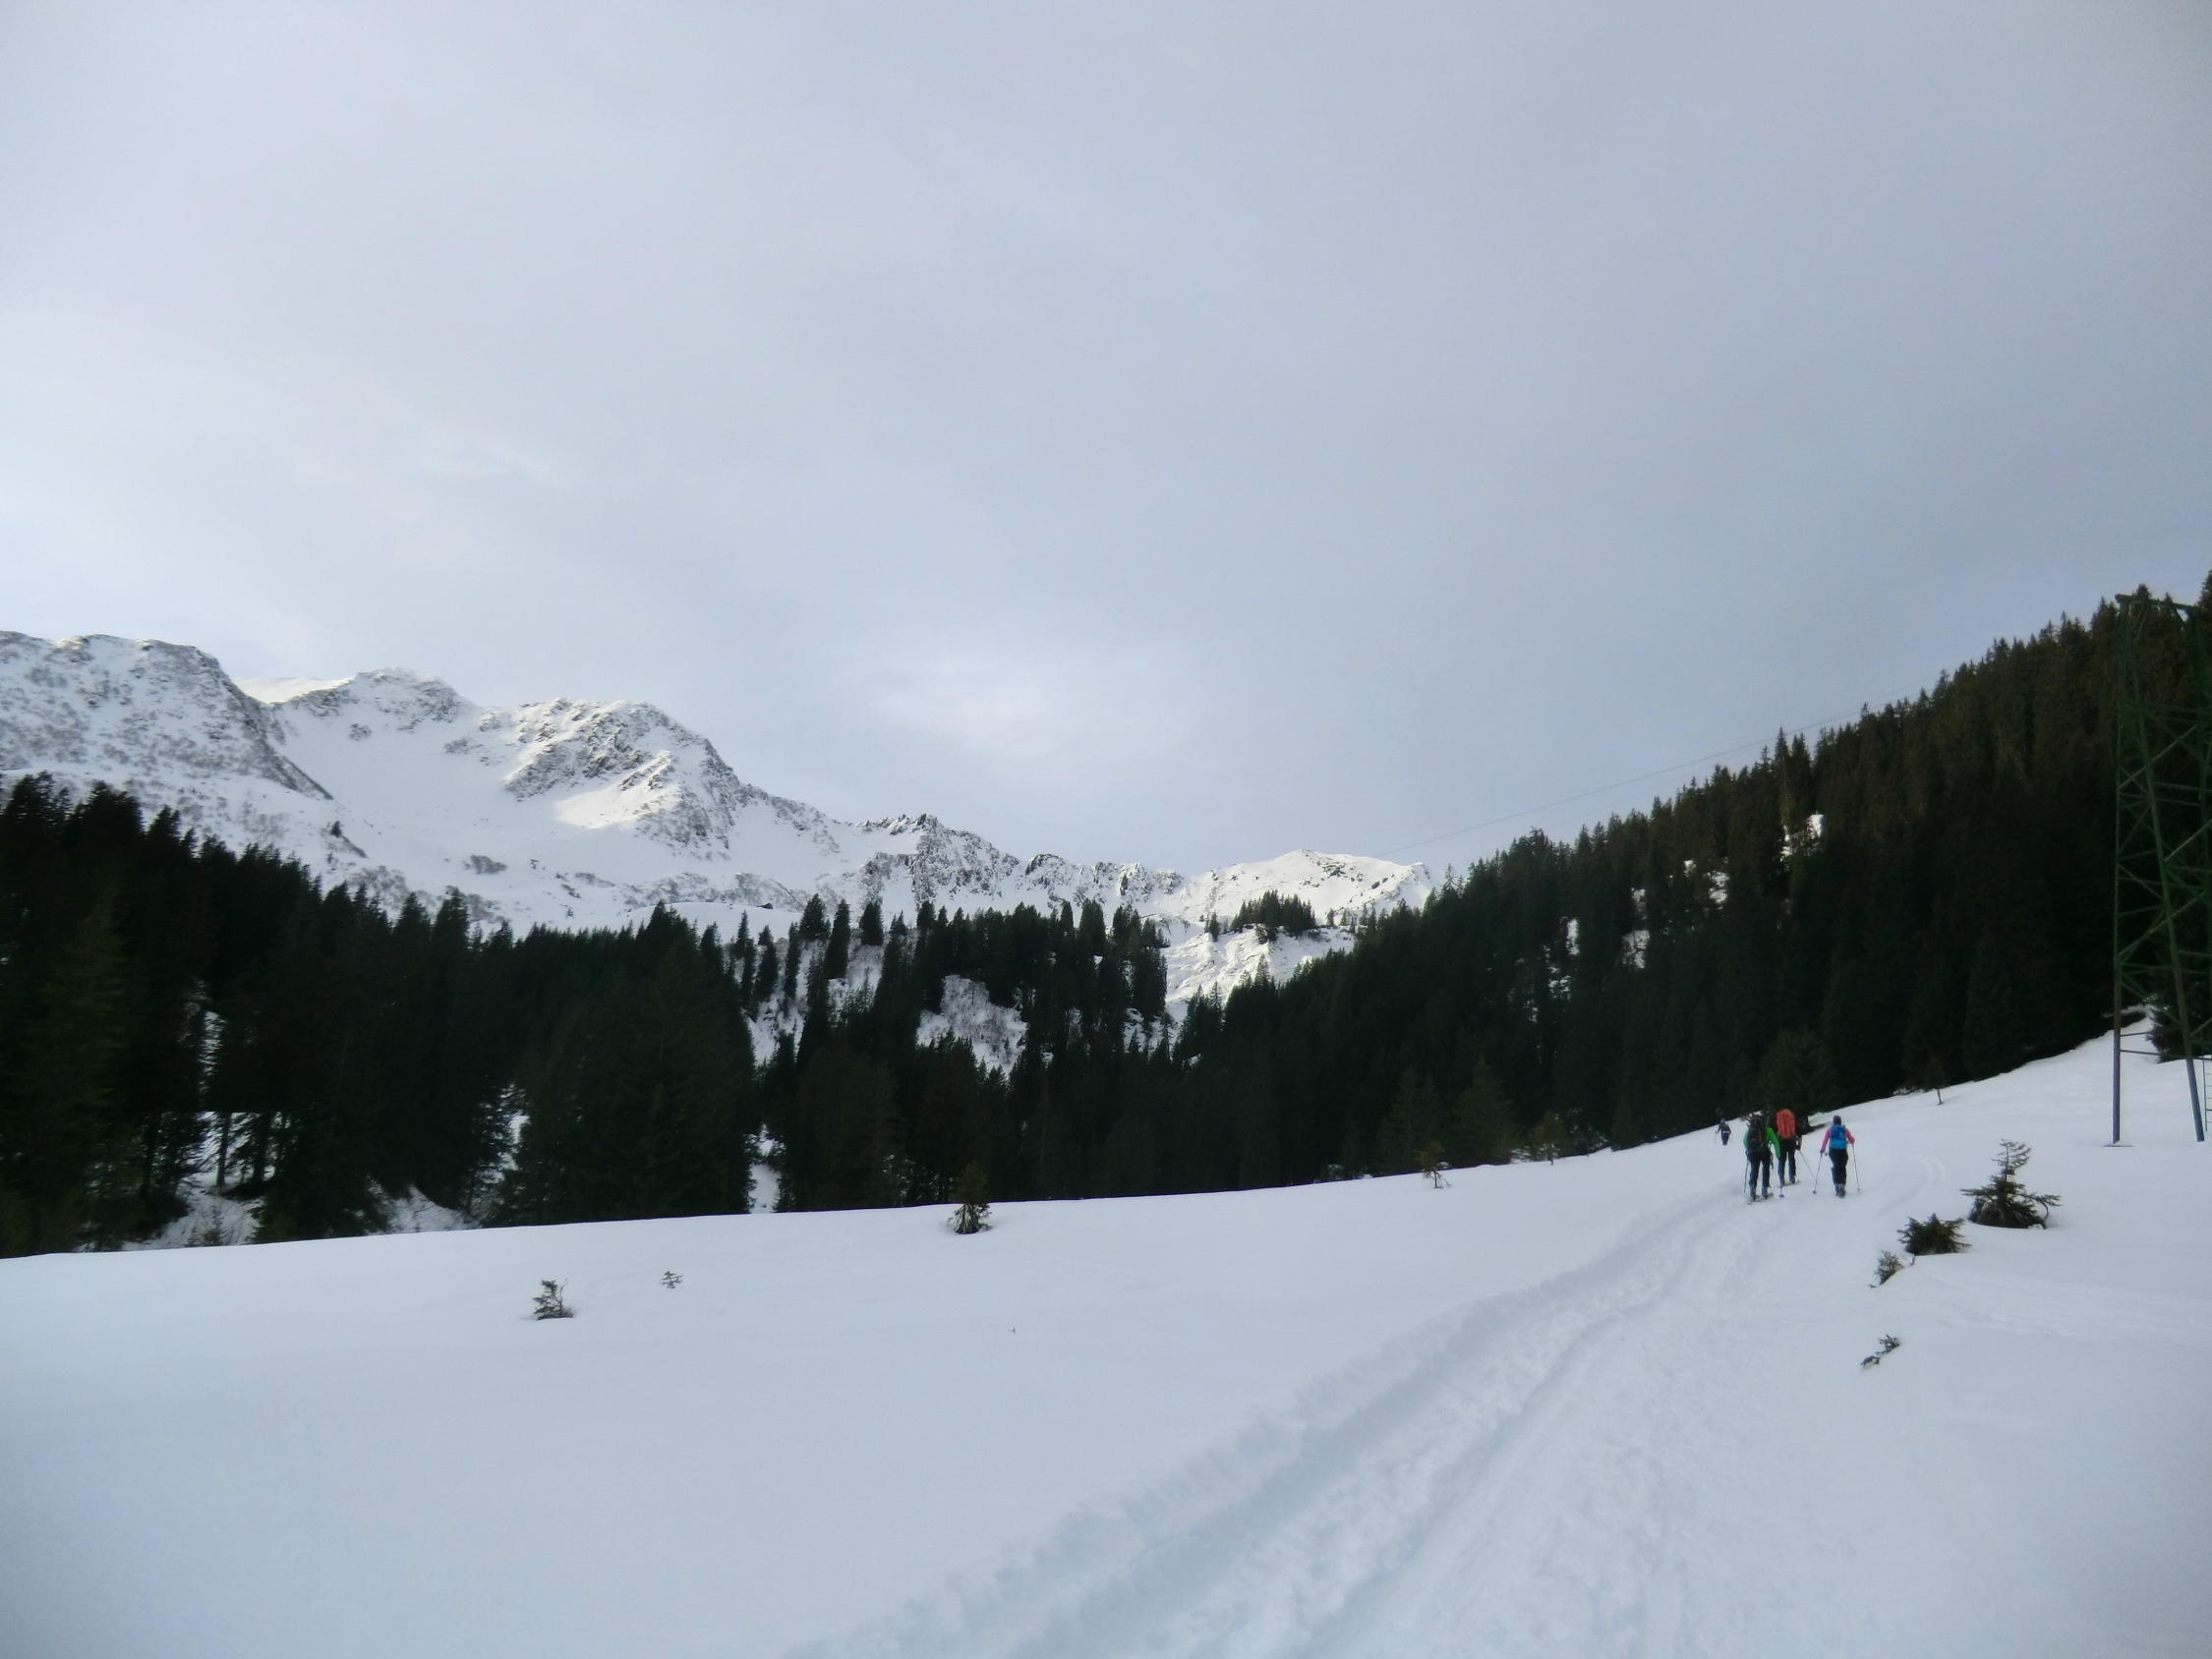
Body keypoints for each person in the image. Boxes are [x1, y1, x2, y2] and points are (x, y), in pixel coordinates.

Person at [1743, 1111, 1775, 1200]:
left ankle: (1752, 1192)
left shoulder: (1750, 1130)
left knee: (1754, 1170)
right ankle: (1764, 1191)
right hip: (1764, 1152)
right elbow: (1775, 1142)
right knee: (1765, 1170)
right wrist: (1778, 1153)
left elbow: (1745, 1141)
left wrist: (1749, 1149)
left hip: (1753, 1152)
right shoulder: (1767, 1130)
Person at [1821, 1114, 1855, 1196]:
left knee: (1836, 1167)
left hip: (1833, 1152)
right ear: (1840, 1122)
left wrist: (1822, 1149)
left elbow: (1825, 1140)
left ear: (1833, 1122)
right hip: (1842, 1151)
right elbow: (1852, 1140)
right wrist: (1849, 1141)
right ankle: (1842, 1186)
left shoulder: (1829, 1130)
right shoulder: (1845, 1130)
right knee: (1842, 1168)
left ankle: (1836, 1185)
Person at [1773, 1105, 1798, 1185]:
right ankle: (1792, 1177)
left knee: (1782, 1160)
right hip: (1791, 1139)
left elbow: (1774, 1129)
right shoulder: (1790, 1114)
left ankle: (1781, 1179)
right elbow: (1795, 1127)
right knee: (1791, 1159)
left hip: (1781, 1140)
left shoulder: (1778, 1115)